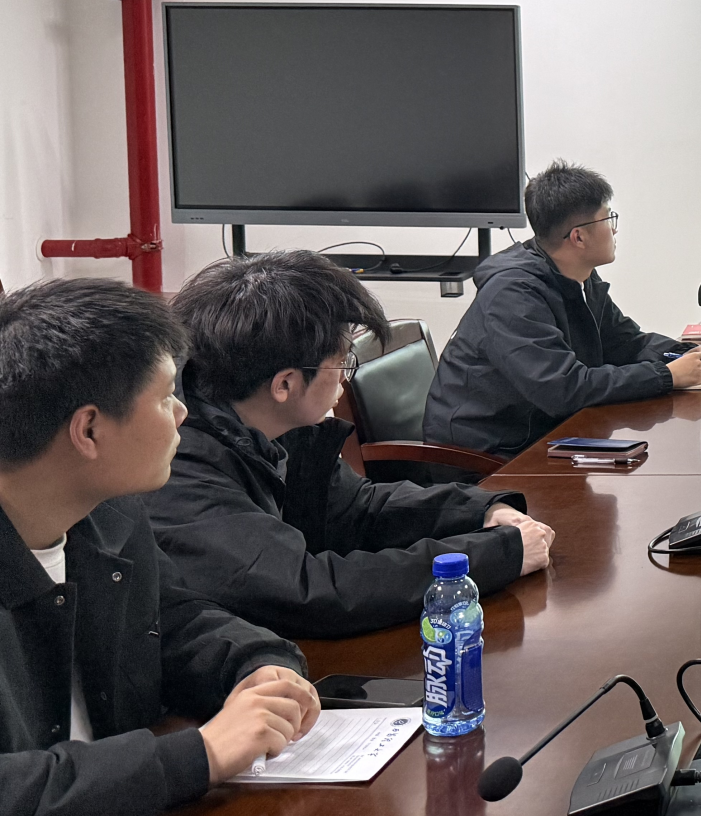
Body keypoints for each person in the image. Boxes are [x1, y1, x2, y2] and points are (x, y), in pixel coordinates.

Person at [0, 279, 322, 816]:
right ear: (89, 430)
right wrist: (200, 755)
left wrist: (256, 666)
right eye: (167, 395)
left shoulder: (109, 514)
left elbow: (174, 620)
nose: (183, 413)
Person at [147, 251, 555, 639]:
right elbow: (308, 592)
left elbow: (356, 508)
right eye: (343, 361)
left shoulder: (268, 419)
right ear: (285, 384)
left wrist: (481, 511)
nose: (346, 377)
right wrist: (494, 556)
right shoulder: (177, 463)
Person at [424, 161, 701, 456]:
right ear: (579, 237)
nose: (614, 229)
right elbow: (563, 389)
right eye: (608, 218)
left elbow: (625, 342)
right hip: (486, 454)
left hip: (542, 433)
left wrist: (683, 353)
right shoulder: (512, 295)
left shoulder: (577, 275)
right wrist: (665, 376)